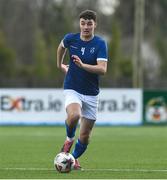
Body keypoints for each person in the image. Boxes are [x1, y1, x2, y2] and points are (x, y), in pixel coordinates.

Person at [56, 9, 108, 170]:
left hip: (92, 94)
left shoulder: (100, 43)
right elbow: (61, 47)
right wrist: (60, 65)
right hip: (73, 87)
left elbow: (102, 69)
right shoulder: (71, 38)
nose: (86, 27)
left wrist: (82, 65)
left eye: (89, 24)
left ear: (95, 25)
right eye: (83, 23)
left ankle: (72, 158)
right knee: (74, 115)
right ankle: (69, 139)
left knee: (85, 136)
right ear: (79, 24)